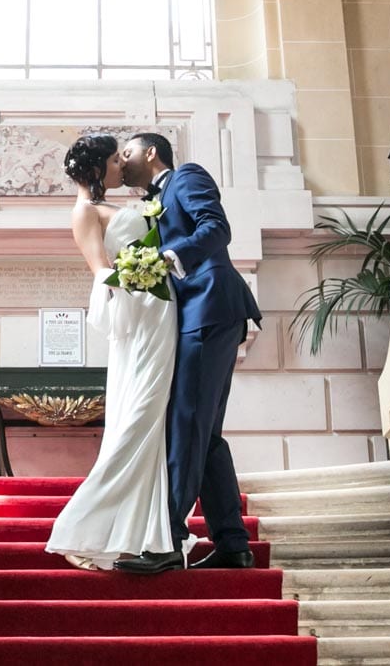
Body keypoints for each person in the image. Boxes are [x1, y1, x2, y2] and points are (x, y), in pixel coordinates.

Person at [113, 132, 263, 574]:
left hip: (209, 306)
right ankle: (233, 545)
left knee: (185, 424)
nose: (123, 161)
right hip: (195, 315)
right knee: (205, 433)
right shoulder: (147, 203)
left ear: (152, 152)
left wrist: (163, 258)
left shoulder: (186, 177)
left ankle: (168, 541)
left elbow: (216, 229)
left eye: (128, 152)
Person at [43, 134, 185, 570]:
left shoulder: (127, 204)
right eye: (113, 159)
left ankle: (144, 532)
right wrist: (146, 271)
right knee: (139, 416)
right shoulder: (83, 211)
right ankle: (81, 526)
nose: (120, 165)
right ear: (96, 167)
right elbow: (101, 271)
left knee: (152, 419)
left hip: (160, 311)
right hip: (139, 314)